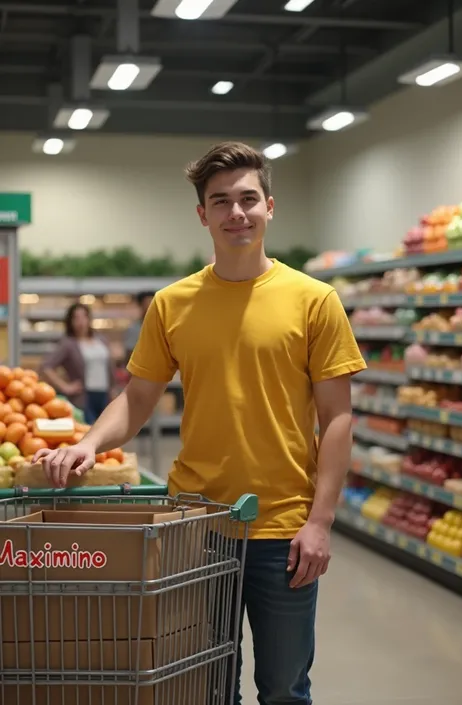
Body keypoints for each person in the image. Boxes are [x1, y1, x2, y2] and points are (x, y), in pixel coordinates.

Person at [34, 142, 367, 705]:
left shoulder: (315, 301)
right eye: (222, 202)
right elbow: (137, 398)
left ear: (269, 206)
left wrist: (321, 522)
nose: (237, 213)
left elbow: (337, 417)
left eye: (248, 199)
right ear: (203, 214)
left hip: (283, 529)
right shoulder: (173, 303)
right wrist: (89, 442)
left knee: (285, 688)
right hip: (197, 524)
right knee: (206, 685)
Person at [40, 302, 116, 424]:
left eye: (84, 316)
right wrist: (65, 386)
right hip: (84, 397)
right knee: (88, 431)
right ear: (70, 322)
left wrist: (112, 389)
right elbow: (46, 367)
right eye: (76, 318)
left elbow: (109, 367)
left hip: (104, 395)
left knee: (107, 432)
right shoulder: (68, 344)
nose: (81, 321)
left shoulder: (101, 340)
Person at [123, 291, 155, 364]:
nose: (150, 306)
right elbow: (130, 353)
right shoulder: (134, 329)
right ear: (141, 305)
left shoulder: (164, 326)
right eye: (147, 303)